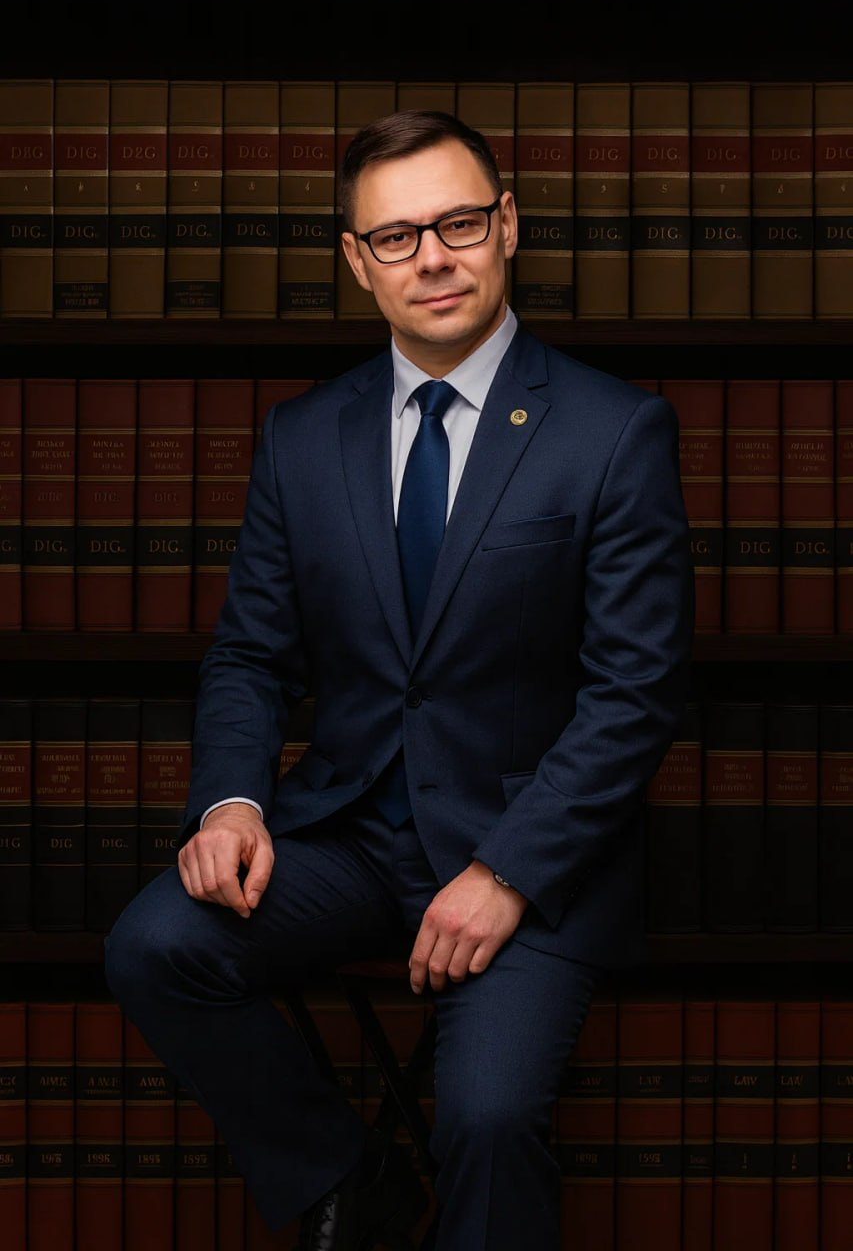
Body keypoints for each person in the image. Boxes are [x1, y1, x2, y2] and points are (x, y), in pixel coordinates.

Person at [103, 109, 694, 1251]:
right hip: (357, 840)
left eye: (459, 222)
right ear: (355, 260)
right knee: (153, 943)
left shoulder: (614, 431)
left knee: (484, 1113)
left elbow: (635, 692)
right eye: (395, 236)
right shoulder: (301, 437)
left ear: (507, 225)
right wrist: (231, 799)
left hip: (529, 859)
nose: (432, 256)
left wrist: (507, 871)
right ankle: (344, 1181)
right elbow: (250, 655)